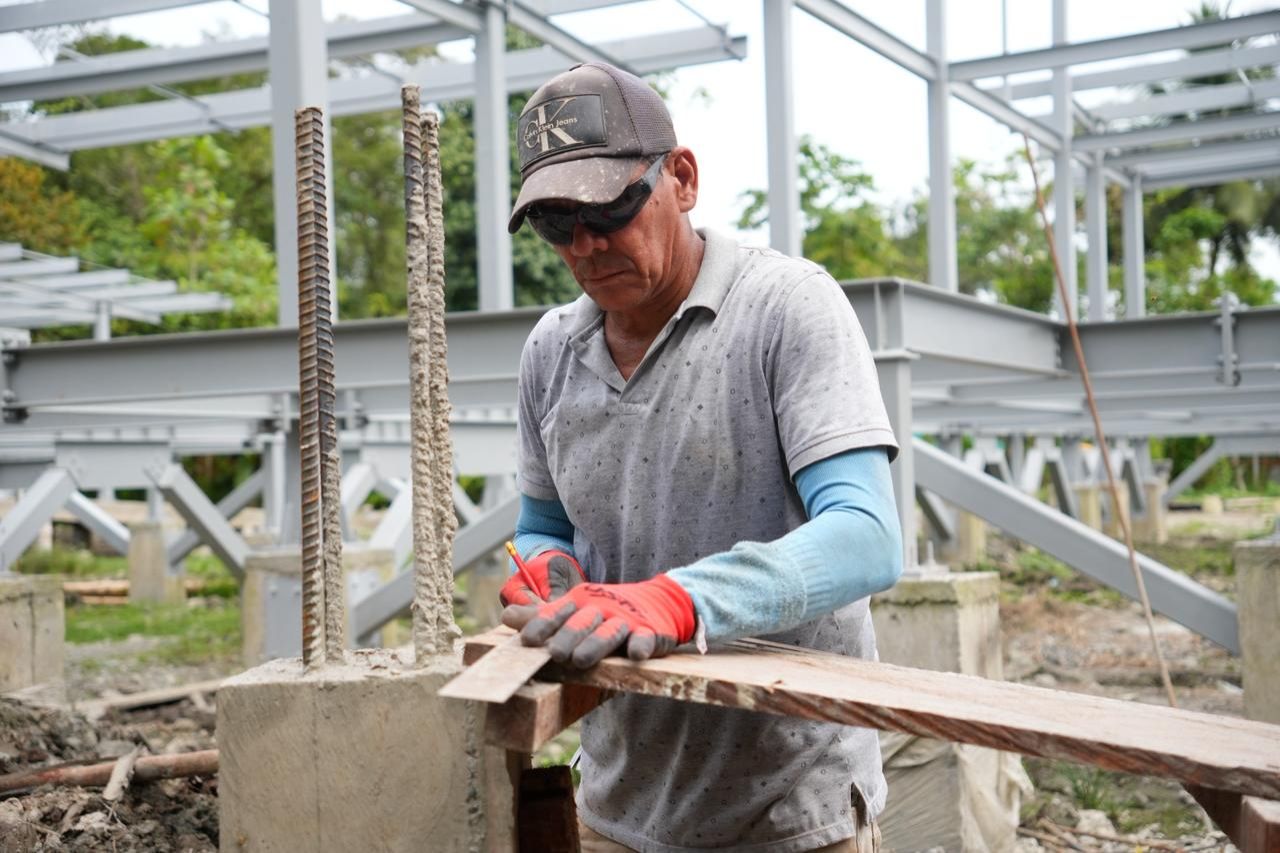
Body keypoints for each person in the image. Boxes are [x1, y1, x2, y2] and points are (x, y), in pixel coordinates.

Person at [500, 61, 903, 853]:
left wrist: (678, 601)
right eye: (555, 224)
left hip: (791, 809)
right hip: (618, 805)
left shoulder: (786, 307)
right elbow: (542, 523)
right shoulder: (551, 351)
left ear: (680, 177)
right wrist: (547, 572)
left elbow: (867, 534)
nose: (585, 244)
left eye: (610, 207)